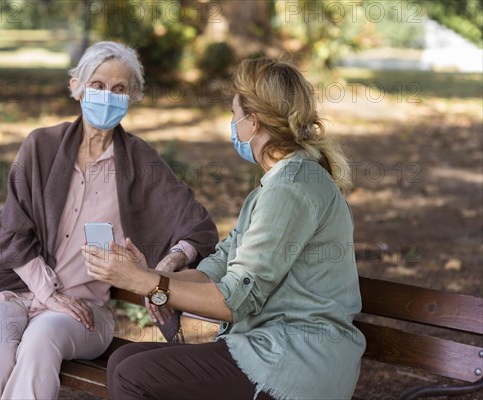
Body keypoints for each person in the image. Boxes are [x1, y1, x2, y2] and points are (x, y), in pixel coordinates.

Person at [84, 57, 367, 400]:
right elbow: (217, 270)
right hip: (267, 347)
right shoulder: (278, 185)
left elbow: (235, 302)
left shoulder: (291, 190)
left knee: (133, 374)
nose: (232, 123)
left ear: (254, 121)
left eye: (234, 114)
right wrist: (147, 274)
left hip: (295, 361)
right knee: (124, 359)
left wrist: (148, 284)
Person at [0, 41, 219, 400]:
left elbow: (198, 229)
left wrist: (164, 271)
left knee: (40, 341)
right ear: (76, 87)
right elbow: (13, 234)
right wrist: (49, 294)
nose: (108, 96)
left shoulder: (140, 160)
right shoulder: (40, 147)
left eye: (119, 89)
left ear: (133, 96)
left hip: (85, 312)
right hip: (14, 293)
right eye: (98, 85)